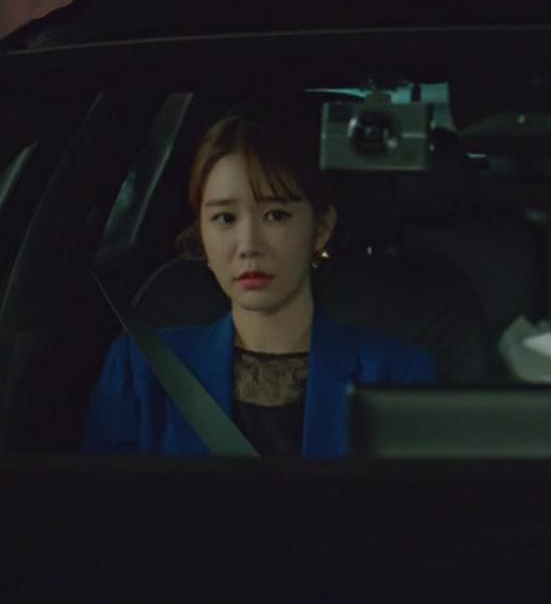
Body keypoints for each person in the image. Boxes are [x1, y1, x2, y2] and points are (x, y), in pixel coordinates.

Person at [81, 101, 435, 456]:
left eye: (276, 215)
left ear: (320, 229)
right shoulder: (140, 368)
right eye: (225, 218)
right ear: (202, 231)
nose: (249, 245)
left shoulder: (395, 372)